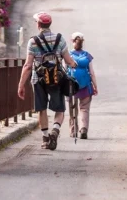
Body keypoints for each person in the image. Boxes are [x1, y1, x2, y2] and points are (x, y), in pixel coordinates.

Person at [17, 11, 77, 150]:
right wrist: (75, 65)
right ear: (49, 24)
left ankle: (45, 139)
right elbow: (68, 60)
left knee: (42, 109)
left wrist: (21, 84)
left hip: (38, 79)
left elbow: (27, 65)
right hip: (57, 78)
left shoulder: (33, 42)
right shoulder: (60, 39)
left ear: (38, 24)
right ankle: (55, 131)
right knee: (59, 109)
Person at [68, 33, 97, 140]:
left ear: (72, 41)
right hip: (85, 86)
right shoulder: (87, 56)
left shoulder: (68, 55)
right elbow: (92, 73)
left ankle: (73, 130)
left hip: (71, 86)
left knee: (72, 108)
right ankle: (83, 129)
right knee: (84, 108)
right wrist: (95, 86)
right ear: (82, 42)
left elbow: (63, 70)